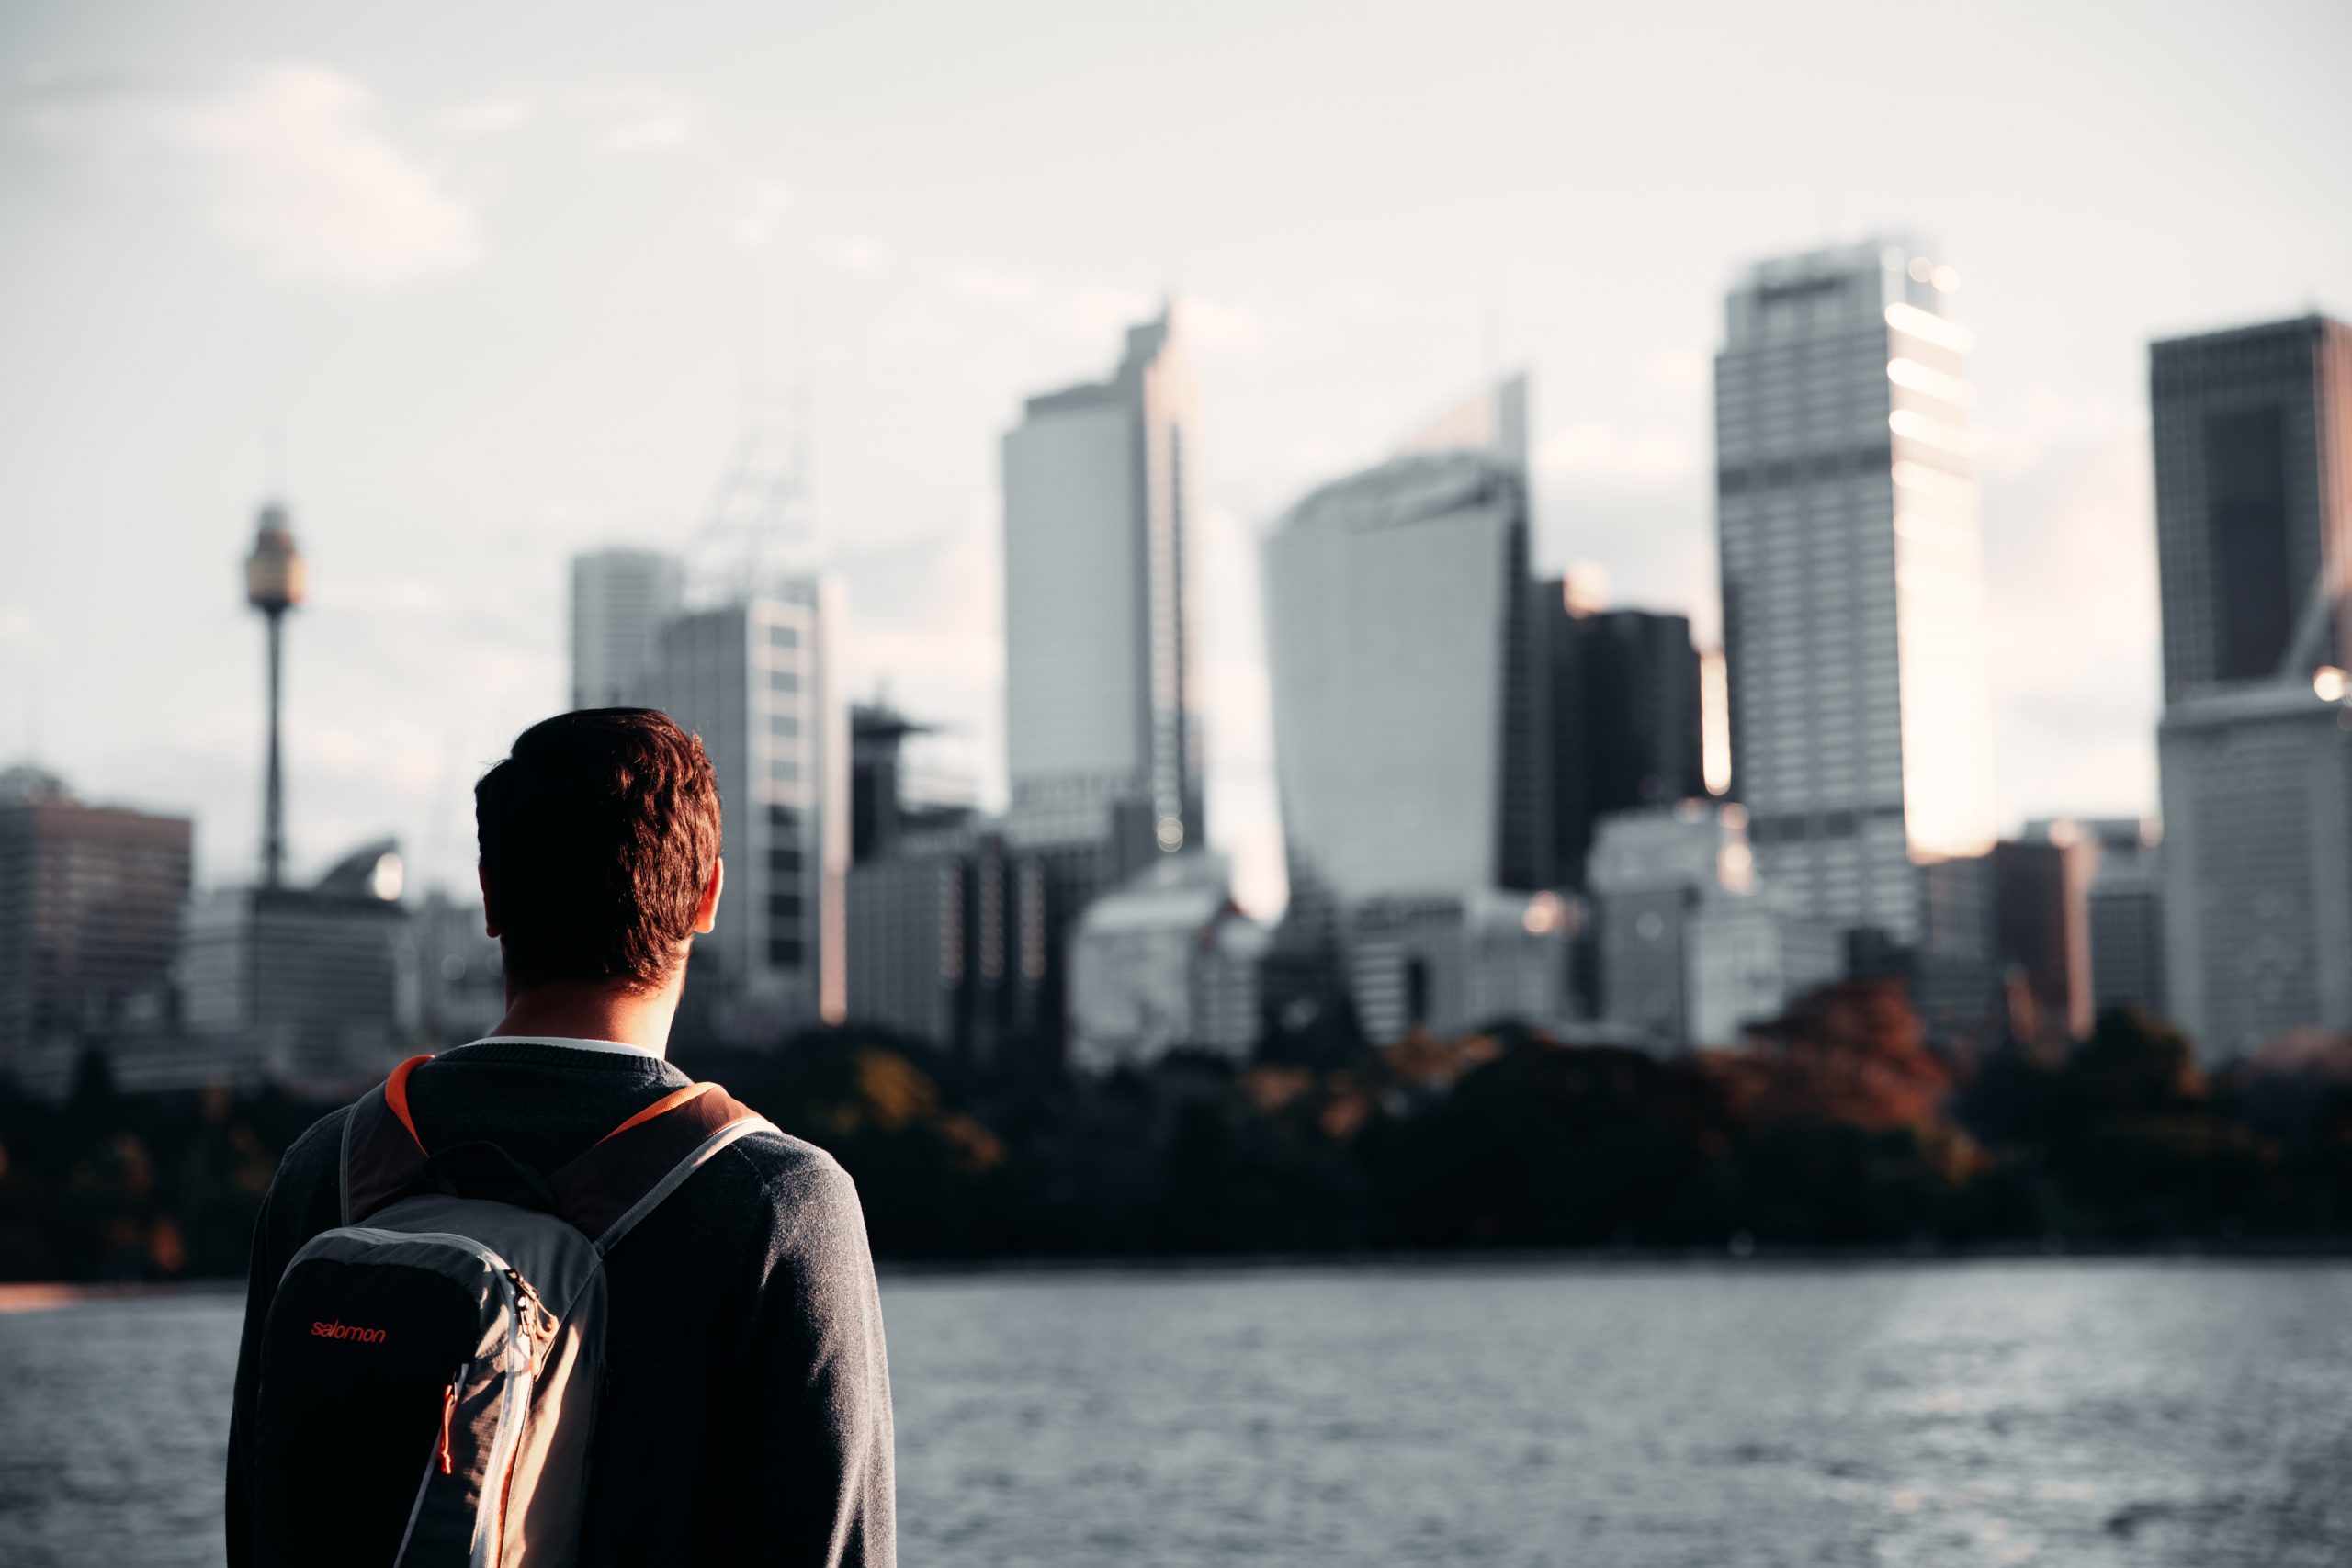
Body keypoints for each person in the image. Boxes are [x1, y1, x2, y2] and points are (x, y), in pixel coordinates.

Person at [224, 708, 896, 1565]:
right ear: (708, 896)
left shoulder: (329, 1170)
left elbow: (260, 1520)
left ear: (490, 897)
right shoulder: (779, 1202)